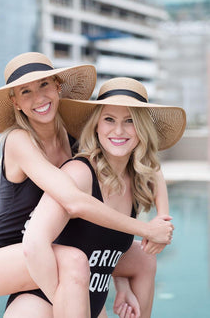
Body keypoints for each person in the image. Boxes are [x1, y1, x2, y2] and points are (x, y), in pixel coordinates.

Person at [0, 53, 175, 318]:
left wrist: (122, 278)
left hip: (45, 246)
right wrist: (147, 228)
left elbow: (149, 168)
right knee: (73, 261)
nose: (39, 98)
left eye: (44, 85)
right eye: (26, 91)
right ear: (15, 102)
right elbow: (74, 201)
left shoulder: (76, 141)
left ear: (57, 86)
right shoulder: (18, 140)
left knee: (142, 257)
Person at [17, 77, 186, 318]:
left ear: (142, 129)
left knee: (144, 259)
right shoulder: (79, 173)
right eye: (109, 119)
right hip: (44, 305)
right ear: (96, 125)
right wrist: (66, 302)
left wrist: (162, 219)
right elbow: (33, 243)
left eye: (130, 121)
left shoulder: (135, 179)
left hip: (89, 304)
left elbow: (154, 169)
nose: (119, 131)